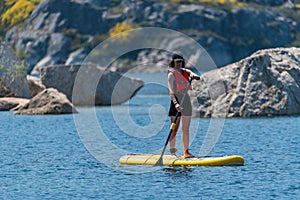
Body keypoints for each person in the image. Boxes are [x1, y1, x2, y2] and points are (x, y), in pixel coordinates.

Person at [167, 53, 200, 158]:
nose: (179, 64)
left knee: (185, 129)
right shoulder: (171, 75)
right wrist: (176, 104)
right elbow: (171, 92)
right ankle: (173, 153)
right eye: (177, 62)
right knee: (174, 129)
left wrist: (194, 76)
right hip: (175, 101)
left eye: (180, 61)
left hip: (186, 100)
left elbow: (194, 75)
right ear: (173, 62)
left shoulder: (186, 71)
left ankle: (186, 152)